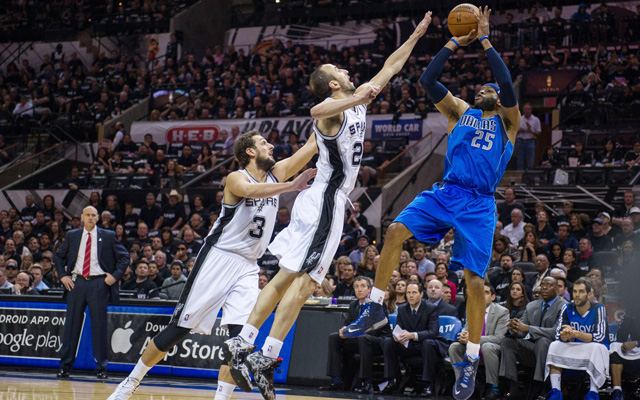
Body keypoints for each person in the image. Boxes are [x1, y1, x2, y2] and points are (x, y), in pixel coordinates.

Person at [224, 12, 434, 400]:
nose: (346, 69)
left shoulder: (356, 103)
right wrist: (359, 96)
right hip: (325, 201)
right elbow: (315, 112)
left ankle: (248, 345)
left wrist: (418, 36)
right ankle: (260, 353)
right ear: (334, 83)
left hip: (321, 200)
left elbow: (392, 64)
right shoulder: (335, 110)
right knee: (304, 283)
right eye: (338, 68)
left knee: (288, 277)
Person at [343, 8, 521, 400]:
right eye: (481, 87)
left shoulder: (508, 121)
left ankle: (471, 359)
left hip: (479, 203)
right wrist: (456, 40)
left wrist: (486, 38)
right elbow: (427, 78)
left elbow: (506, 84)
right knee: (393, 231)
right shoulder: (459, 112)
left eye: (489, 88)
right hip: (447, 191)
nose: (485, 88)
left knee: (475, 282)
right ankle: (374, 305)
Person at [107, 130, 318, 400]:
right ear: (250, 152)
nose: (272, 145)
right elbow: (250, 191)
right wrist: (292, 186)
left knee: (241, 341)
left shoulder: (276, 173)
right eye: (264, 143)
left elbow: (311, 145)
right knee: (178, 330)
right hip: (219, 258)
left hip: (248, 266)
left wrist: (341, 106)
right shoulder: (237, 177)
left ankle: (222, 398)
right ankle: (130, 381)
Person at [55, 206, 129, 380]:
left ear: (98, 218)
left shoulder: (108, 235)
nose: (90, 218)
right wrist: (63, 276)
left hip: (99, 283)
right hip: (76, 282)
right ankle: (65, 367)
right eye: (87, 215)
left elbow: (125, 256)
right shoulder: (72, 235)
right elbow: (58, 257)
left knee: (99, 326)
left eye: (93, 215)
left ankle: (102, 367)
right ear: (82, 217)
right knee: (72, 326)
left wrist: (115, 276)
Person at [499, 276, 567, 399]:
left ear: (557, 288)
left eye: (549, 285)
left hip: (552, 352)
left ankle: (540, 386)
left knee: (543, 341)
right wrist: (513, 329)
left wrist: (528, 328)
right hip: (531, 349)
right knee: (507, 342)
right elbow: (522, 331)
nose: (544, 288)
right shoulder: (531, 306)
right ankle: (512, 386)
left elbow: (556, 332)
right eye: (543, 285)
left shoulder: (564, 306)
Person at [320, 276, 391, 394]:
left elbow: (373, 330)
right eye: (356, 287)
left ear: (369, 290)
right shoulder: (353, 305)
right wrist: (343, 331)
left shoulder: (377, 305)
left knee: (364, 338)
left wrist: (351, 331)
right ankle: (336, 379)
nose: (359, 289)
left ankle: (366, 382)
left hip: (378, 340)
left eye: (363, 286)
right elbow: (347, 324)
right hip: (360, 339)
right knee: (334, 337)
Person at [545, 278, 609, 400]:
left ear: (589, 293)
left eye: (581, 292)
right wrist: (565, 335)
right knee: (554, 345)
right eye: (574, 292)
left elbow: (600, 336)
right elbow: (558, 334)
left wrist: (576, 334)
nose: (577, 295)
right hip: (575, 347)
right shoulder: (566, 307)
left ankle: (593, 392)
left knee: (596, 347)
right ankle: (556, 391)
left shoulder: (599, 308)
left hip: (594, 349)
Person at [380, 282, 446, 396]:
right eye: (408, 293)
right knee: (388, 342)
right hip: (409, 344)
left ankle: (428, 384)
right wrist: (396, 336)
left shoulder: (431, 308)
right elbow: (398, 327)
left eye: (414, 293)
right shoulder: (402, 308)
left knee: (428, 343)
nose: (411, 295)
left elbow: (433, 332)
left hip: (426, 344)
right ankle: (391, 381)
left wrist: (412, 335)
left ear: (421, 294)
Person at [448, 283, 509, 400]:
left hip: (493, 348)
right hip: (474, 346)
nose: (482, 295)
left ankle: (493, 386)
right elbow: (466, 329)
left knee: (487, 347)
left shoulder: (502, 312)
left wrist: (472, 339)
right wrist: (463, 335)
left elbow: (499, 338)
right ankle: (463, 383)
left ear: (493, 297)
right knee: (454, 347)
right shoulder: (472, 309)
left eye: (486, 292)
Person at [516, 103, 541, 170]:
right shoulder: (519, 119)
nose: (527, 111)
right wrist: (520, 130)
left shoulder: (536, 120)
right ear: (523, 110)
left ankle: (530, 178)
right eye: (526, 109)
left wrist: (531, 131)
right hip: (520, 141)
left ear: (531, 110)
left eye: (528, 109)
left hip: (530, 141)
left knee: (530, 162)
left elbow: (539, 133)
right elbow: (514, 131)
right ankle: (520, 178)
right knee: (520, 162)